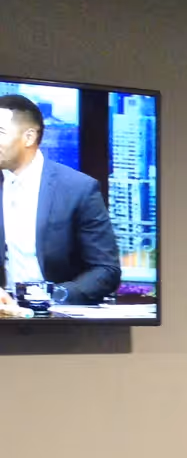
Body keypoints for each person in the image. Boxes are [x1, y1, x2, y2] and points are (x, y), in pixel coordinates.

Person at [0, 94, 121, 307]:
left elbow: (105, 270)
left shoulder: (77, 188)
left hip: (60, 326)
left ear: (28, 137)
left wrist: (53, 297)